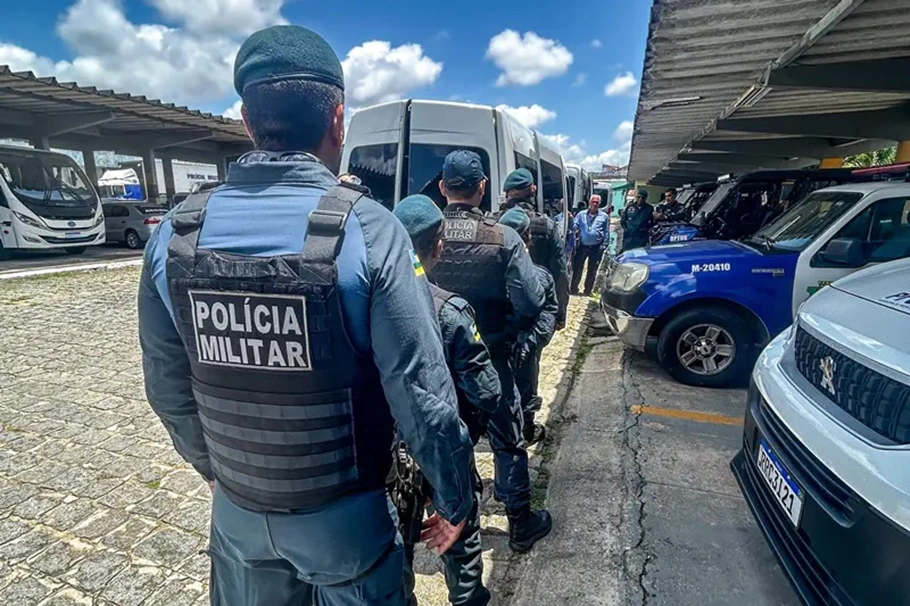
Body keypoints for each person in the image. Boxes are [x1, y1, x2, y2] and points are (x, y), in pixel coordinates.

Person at [138, 25, 475, 606]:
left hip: (238, 518)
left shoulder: (175, 235)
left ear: (247, 120)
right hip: (347, 521)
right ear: (338, 119)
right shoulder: (369, 230)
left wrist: (220, 473)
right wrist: (455, 498)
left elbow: (167, 386)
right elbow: (422, 392)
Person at [429, 150, 553, 554]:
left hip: (435, 363)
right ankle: (520, 522)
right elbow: (532, 302)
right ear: (483, 189)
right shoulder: (505, 237)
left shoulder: (419, 233)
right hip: (491, 359)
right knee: (508, 440)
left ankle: (457, 519)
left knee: (447, 439)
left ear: (443, 188)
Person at [393, 194, 499, 606]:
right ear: (439, 245)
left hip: (389, 460)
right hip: (442, 447)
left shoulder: (363, 301)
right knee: (459, 535)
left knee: (395, 551)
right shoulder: (450, 311)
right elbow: (486, 391)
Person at [498, 208, 558, 446]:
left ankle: (525, 428)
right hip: (506, 344)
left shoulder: (539, 276)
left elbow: (547, 315)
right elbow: (550, 314)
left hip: (520, 344)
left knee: (523, 389)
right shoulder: (539, 275)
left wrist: (528, 342)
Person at [497, 168, 569, 331]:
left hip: (498, 312)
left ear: (507, 193)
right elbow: (560, 271)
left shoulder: (491, 222)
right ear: (533, 191)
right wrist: (560, 313)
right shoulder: (547, 225)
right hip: (534, 309)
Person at [571, 194, 610, 296]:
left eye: (597, 202)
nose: (595, 204)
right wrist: (570, 219)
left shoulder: (604, 216)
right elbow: (574, 226)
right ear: (589, 202)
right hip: (583, 245)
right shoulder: (581, 214)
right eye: (593, 202)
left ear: (599, 204)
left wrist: (604, 245)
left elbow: (606, 231)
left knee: (592, 270)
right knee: (577, 267)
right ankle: (573, 288)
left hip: (596, 247)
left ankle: (588, 290)